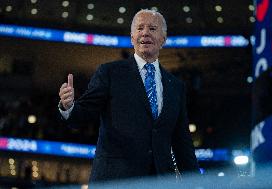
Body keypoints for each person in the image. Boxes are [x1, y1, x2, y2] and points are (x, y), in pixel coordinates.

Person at [58, 9, 199, 183]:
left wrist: (196, 183)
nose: (145, 33)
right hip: (115, 180)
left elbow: (182, 142)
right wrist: (69, 106)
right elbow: (84, 114)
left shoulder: (176, 86)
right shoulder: (109, 73)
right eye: (140, 28)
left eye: (153, 29)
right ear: (132, 38)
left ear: (163, 39)